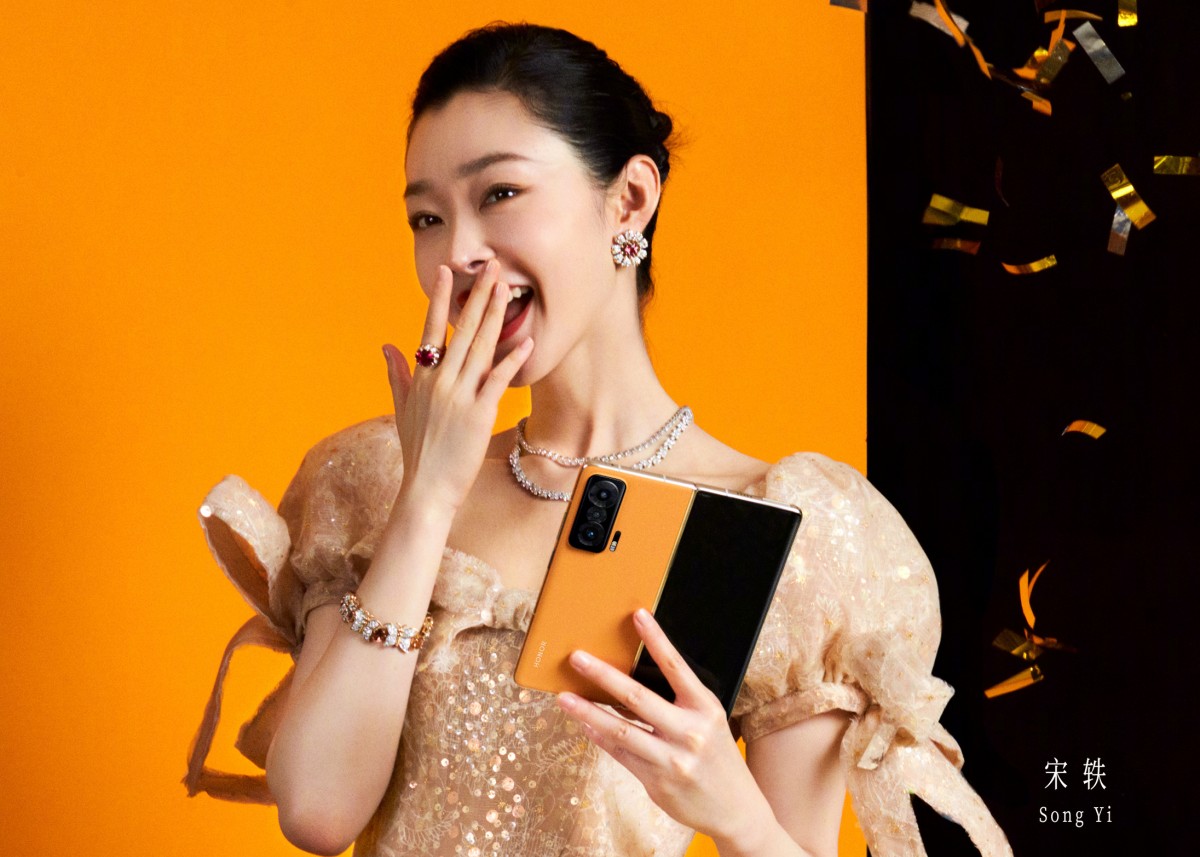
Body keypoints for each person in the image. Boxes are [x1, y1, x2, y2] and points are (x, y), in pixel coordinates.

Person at [184, 22, 1011, 857]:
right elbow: (318, 810)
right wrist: (426, 496)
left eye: (500, 193)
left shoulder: (784, 530)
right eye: (427, 217)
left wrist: (735, 813)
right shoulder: (370, 480)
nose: (458, 254)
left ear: (630, 200)